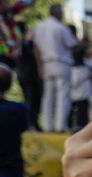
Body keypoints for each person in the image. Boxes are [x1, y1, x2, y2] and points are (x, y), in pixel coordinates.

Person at [32, 3, 78, 132]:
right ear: (58, 13)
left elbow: (35, 48)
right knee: (63, 95)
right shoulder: (61, 28)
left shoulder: (39, 26)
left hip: (46, 63)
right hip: (62, 63)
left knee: (48, 96)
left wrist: (39, 65)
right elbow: (72, 45)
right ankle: (60, 126)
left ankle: (47, 126)